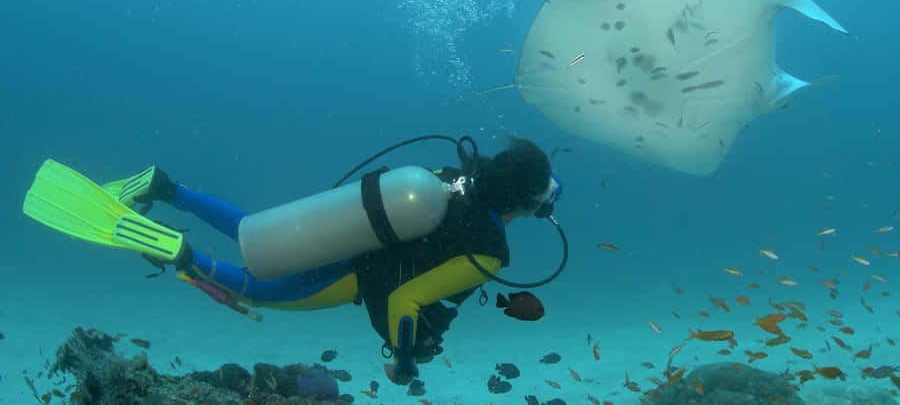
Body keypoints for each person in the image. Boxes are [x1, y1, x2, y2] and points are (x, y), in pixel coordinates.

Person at [22, 137, 559, 385]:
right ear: (524, 203)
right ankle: (174, 248)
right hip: (350, 277)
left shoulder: (450, 178)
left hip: (338, 229)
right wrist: (402, 362)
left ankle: (166, 187)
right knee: (254, 288)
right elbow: (405, 299)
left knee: (254, 232)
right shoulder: (490, 251)